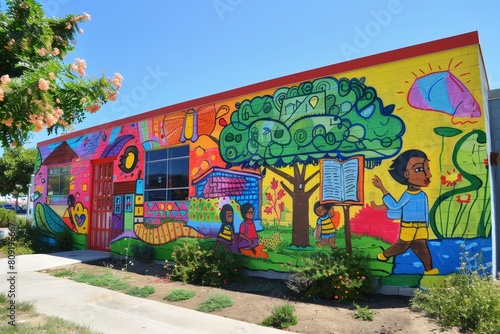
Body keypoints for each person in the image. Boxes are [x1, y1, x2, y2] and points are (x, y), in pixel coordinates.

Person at [371, 149, 439, 275]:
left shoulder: (423, 195)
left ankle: (429, 271)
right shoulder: (407, 195)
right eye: (420, 170)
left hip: (421, 227)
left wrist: (426, 226)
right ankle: (384, 255)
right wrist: (382, 188)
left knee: (422, 249)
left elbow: (416, 212)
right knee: (402, 246)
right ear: (407, 174)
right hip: (409, 227)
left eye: (427, 168)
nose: (427, 174)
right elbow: (396, 207)